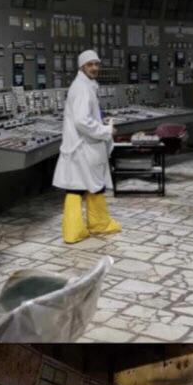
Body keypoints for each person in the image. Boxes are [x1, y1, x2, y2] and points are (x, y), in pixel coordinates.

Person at [53, 49, 122, 243]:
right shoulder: (82, 88)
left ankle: (98, 224)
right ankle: (75, 231)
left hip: (84, 147)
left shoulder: (86, 85)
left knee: (92, 186)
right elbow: (82, 122)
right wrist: (106, 131)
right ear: (82, 67)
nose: (94, 68)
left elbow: (86, 117)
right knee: (78, 188)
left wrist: (100, 122)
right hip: (83, 147)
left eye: (96, 64)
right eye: (90, 64)